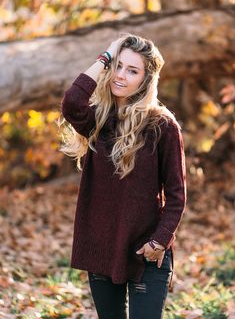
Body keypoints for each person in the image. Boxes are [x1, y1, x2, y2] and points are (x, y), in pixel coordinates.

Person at [60, 33, 187, 319]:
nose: (121, 75)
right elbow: (72, 103)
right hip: (103, 248)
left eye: (132, 71)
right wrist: (105, 56)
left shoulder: (163, 126)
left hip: (147, 252)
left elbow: (177, 196)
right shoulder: (99, 119)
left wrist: (159, 241)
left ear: (145, 80)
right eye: (118, 66)